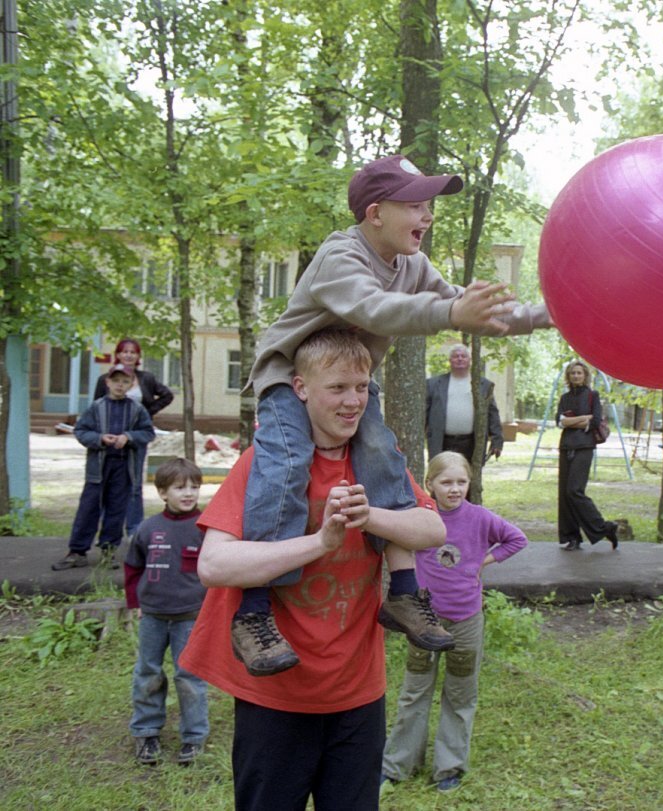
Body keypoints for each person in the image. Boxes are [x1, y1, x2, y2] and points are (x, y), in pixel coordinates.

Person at [235, 153, 550, 676]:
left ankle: (404, 592)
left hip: (352, 386)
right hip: (291, 383)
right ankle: (252, 611)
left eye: (430, 206)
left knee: (384, 459)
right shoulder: (342, 256)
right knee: (287, 467)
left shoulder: (414, 266)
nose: (427, 216)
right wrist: (451, 312)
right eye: (416, 205)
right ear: (376, 212)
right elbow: (373, 309)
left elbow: (470, 307)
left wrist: (551, 314)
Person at [180, 328, 446, 811]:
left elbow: (432, 530)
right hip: (275, 693)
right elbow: (214, 565)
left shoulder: (377, 466)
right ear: (301, 389)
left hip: (358, 693)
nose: (353, 402)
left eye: (362, 388)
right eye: (338, 388)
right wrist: (319, 542)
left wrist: (371, 517)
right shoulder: (261, 465)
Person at [381, 451, 528, 793]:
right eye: (446, 482)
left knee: (460, 693)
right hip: (424, 619)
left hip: (465, 620)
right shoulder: (420, 518)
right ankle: (398, 765)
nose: (455, 489)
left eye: (461, 482)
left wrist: (484, 562)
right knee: (415, 690)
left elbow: (516, 539)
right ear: (429, 484)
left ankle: (449, 767)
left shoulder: (479, 518)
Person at [123, 457, 208, 767]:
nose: (188, 493)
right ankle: (146, 732)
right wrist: (135, 605)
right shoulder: (148, 528)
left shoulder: (206, 528)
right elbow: (132, 568)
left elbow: (216, 573)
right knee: (148, 672)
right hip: (153, 617)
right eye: (180, 487)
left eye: (194, 487)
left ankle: (194, 737)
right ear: (162, 492)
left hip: (190, 616)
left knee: (189, 677)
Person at [53, 363, 156, 571]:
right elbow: (81, 431)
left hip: (124, 468)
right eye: (116, 381)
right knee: (88, 508)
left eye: (125, 381)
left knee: (116, 510)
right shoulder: (96, 407)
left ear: (131, 384)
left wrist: (128, 437)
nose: (120, 385)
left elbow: (148, 433)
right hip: (98, 468)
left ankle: (109, 551)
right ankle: (77, 551)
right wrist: (100, 438)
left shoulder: (137, 409)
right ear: (107, 382)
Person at [92, 337, 174, 535]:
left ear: (138, 356)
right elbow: (97, 407)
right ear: (118, 354)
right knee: (105, 484)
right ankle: (106, 531)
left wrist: (147, 411)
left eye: (133, 352)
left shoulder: (145, 378)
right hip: (110, 438)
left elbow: (167, 395)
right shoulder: (105, 379)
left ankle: (134, 531)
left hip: (136, 438)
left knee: (134, 484)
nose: (128, 355)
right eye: (124, 351)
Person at [555, 360, 620, 551]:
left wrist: (570, 421)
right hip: (566, 446)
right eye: (573, 373)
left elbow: (595, 421)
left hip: (584, 447)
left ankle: (604, 528)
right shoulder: (564, 397)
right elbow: (559, 422)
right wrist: (582, 418)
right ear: (569, 376)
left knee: (574, 491)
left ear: (585, 376)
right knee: (564, 495)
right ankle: (572, 537)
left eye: (579, 373)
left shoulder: (593, 395)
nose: (576, 376)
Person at [425, 343, 504, 469]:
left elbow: (492, 414)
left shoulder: (483, 385)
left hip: (471, 443)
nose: (460, 358)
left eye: (463, 356)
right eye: (456, 356)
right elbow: (423, 413)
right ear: (450, 360)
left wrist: (497, 441)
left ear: (470, 360)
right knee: (441, 477)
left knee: (469, 480)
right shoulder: (433, 384)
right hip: (441, 442)